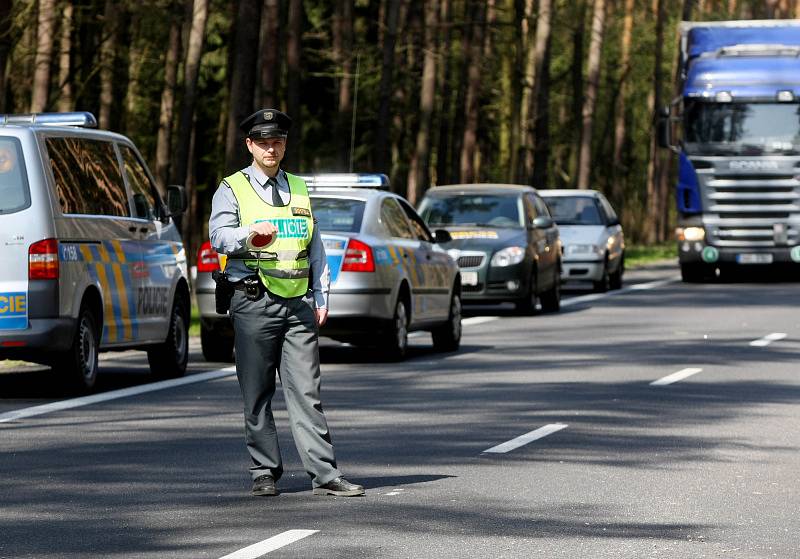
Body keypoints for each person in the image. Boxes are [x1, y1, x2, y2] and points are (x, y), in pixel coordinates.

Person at [209, 108, 364, 497]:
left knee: (307, 392)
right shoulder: (232, 188)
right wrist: (248, 234)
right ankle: (264, 471)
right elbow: (218, 237)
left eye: (276, 141)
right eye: (262, 142)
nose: (270, 148)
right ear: (250, 145)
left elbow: (314, 244)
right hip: (253, 299)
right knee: (257, 390)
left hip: (298, 305)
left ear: (284, 144)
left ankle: (325, 474)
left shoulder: (298, 186)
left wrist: (322, 294)